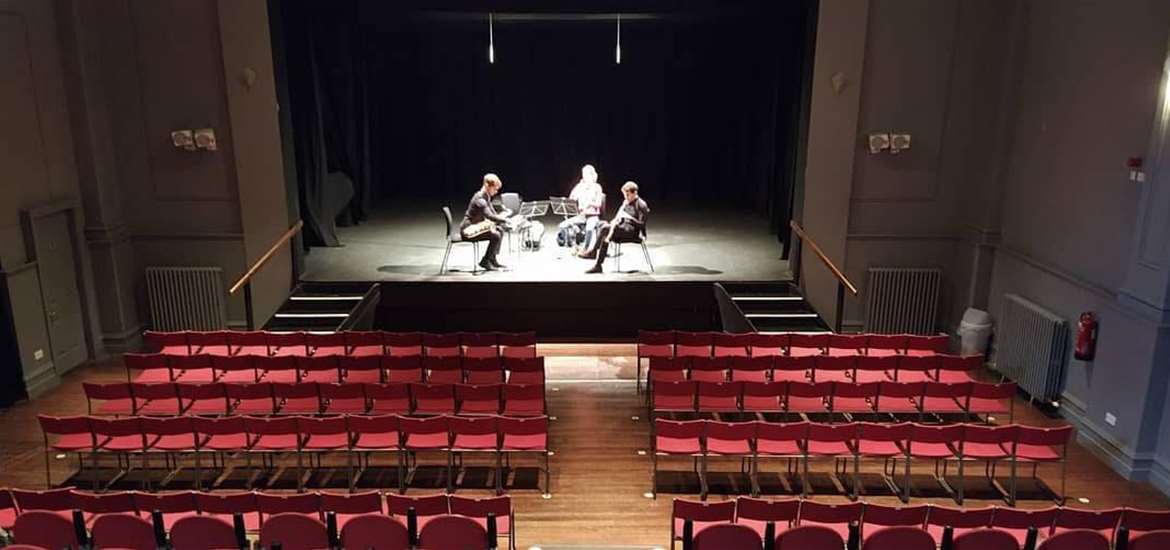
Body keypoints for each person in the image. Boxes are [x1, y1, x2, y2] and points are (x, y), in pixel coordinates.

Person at [584, 181, 649, 274]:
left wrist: (629, 218)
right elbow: (620, 217)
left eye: (628, 195)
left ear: (635, 193)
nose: (626, 197)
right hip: (623, 229)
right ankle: (598, 264)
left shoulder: (641, 205)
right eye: (624, 195)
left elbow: (642, 224)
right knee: (602, 225)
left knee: (605, 229)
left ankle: (594, 254)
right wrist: (617, 220)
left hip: (632, 233)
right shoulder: (626, 202)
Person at [460, 173, 510, 271]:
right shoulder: (480, 199)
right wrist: (504, 219)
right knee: (496, 235)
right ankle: (485, 261)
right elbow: (490, 216)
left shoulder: (486, 197)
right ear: (487, 185)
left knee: (500, 230)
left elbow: (493, 213)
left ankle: (492, 259)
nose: (496, 192)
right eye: (495, 189)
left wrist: (503, 215)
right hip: (468, 229)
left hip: (475, 226)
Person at [558, 164, 605, 251]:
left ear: (592, 175)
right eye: (583, 174)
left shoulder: (597, 187)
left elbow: (598, 203)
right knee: (562, 225)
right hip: (581, 216)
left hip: (593, 216)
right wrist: (577, 188)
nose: (584, 176)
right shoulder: (581, 187)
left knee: (589, 228)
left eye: (586, 174)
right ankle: (572, 246)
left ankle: (585, 249)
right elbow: (571, 198)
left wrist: (589, 203)